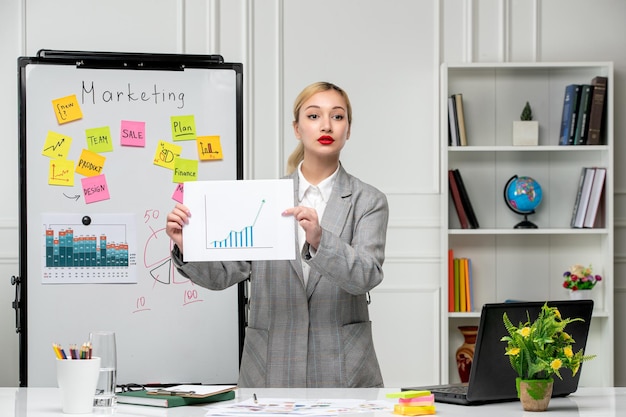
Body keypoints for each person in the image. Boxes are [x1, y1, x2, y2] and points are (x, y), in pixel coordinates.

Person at [166, 81, 389, 388]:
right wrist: (185, 244)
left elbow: (367, 274)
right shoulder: (264, 197)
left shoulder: (369, 200)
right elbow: (224, 274)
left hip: (344, 368)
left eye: (337, 116)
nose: (326, 124)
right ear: (297, 128)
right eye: (313, 116)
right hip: (270, 367)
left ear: (348, 129)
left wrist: (321, 241)